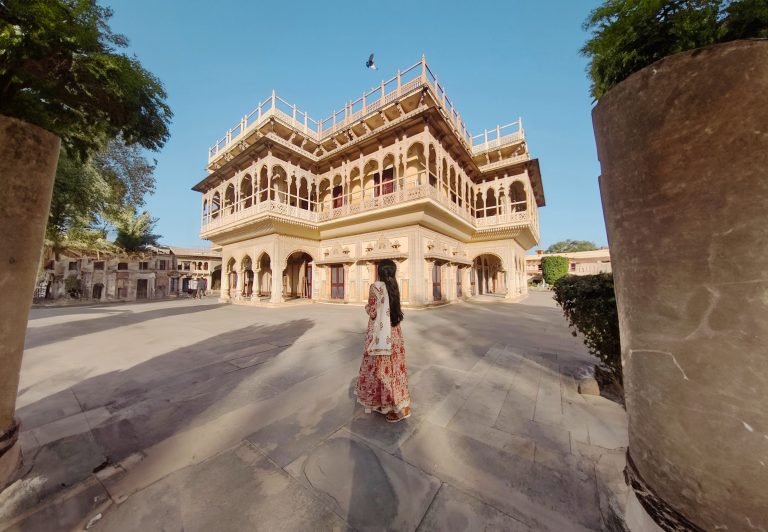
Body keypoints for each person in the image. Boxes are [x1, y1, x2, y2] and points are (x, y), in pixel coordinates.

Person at [355, 259, 411, 422]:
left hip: (379, 335)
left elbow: (372, 312)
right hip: (394, 334)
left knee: (379, 370)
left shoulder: (375, 287)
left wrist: (367, 307)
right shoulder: (394, 286)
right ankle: (400, 404)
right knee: (395, 370)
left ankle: (388, 405)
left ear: (379, 271)